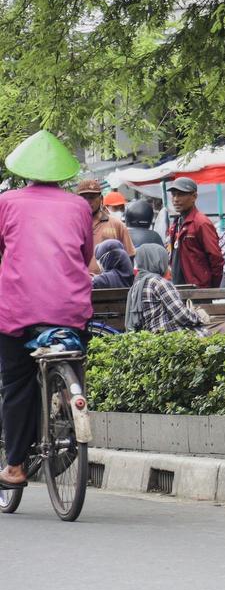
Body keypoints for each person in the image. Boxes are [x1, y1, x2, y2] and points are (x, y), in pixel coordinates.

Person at [0, 131, 93, 488]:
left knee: (17, 383)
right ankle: (70, 399)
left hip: (18, 312)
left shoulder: (7, 202)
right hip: (70, 310)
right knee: (74, 357)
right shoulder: (80, 206)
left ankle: (16, 466)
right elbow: (85, 256)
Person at [126, 244, 210, 335]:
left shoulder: (136, 285)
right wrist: (200, 316)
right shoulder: (159, 283)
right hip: (171, 337)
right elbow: (182, 316)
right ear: (158, 261)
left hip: (150, 339)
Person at [165, 176, 224, 287]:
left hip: (198, 290)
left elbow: (216, 259)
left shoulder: (201, 223)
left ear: (194, 196)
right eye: (173, 195)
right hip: (178, 287)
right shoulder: (177, 223)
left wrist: (211, 289)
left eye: (181, 194)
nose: (176, 199)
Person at [76, 177, 135, 268]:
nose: (88, 201)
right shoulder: (73, 226)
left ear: (101, 199)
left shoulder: (116, 224)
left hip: (109, 281)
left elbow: (130, 256)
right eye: (84, 198)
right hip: (79, 281)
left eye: (92, 197)